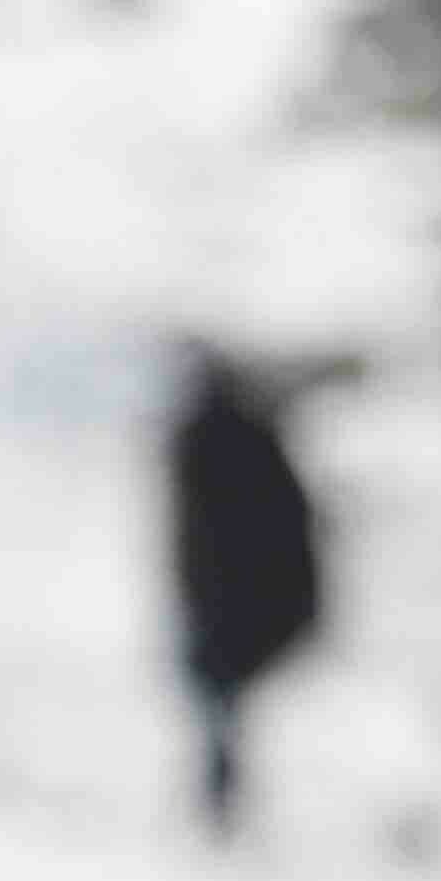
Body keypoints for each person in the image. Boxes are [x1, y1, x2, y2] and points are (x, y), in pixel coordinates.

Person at [165, 346, 325, 836]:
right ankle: (224, 811)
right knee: (224, 712)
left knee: (225, 711)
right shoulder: (234, 442)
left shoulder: (209, 443)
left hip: (222, 604)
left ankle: (228, 809)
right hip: (222, 602)